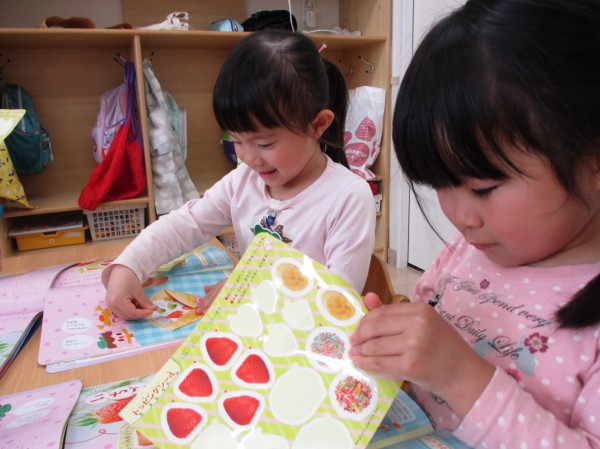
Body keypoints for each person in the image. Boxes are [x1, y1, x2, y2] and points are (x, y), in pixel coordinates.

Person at [350, 1, 600, 448]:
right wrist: (394, 344)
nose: (460, 217)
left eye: (483, 188)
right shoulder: (471, 248)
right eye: (440, 186)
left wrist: (459, 375)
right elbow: (425, 332)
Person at [103, 29, 376, 320]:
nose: (248, 158)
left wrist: (253, 289)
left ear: (318, 124)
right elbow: (187, 223)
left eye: (265, 144)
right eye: (236, 139)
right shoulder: (244, 180)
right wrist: (129, 265)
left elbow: (338, 301)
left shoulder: (348, 197)